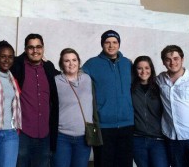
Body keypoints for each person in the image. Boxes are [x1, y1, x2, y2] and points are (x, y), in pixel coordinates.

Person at [81, 30, 134, 167]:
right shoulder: (91, 64)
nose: (111, 46)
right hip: (103, 126)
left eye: (115, 42)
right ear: (102, 44)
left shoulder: (128, 64)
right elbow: (74, 78)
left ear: (119, 44)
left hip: (127, 125)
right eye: (107, 42)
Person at [10, 33, 59, 167]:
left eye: (38, 47)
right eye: (31, 47)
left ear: (43, 49)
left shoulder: (49, 68)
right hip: (23, 132)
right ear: (25, 50)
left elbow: (65, 77)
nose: (35, 50)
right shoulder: (17, 66)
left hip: (45, 133)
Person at [52, 48, 93, 167]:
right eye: (67, 61)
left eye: (74, 60)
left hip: (84, 137)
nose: (71, 64)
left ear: (79, 62)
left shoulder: (87, 79)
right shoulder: (55, 81)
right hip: (62, 137)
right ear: (61, 64)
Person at [131, 56, 169, 167]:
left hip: (158, 139)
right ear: (135, 70)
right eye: (139, 68)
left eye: (147, 68)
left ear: (151, 69)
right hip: (137, 139)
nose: (144, 71)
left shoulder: (160, 87)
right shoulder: (131, 89)